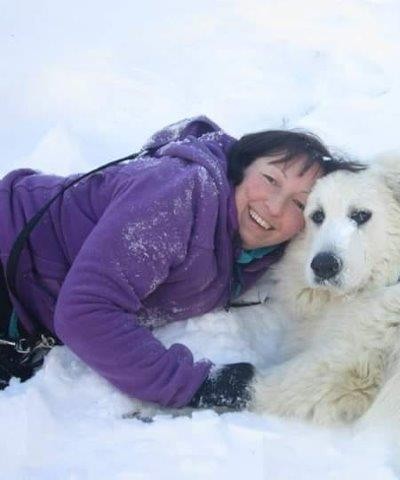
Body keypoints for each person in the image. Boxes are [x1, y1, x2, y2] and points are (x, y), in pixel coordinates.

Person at [0, 116, 363, 409]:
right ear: (240, 167)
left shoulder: (254, 248)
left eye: (299, 204)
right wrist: (195, 385)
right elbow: (85, 311)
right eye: (270, 179)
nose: (273, 206)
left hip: (23, 301)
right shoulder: (180, 196)